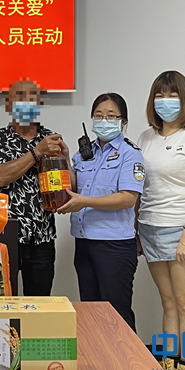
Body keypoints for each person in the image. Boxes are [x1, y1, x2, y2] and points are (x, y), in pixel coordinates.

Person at [136, 71, 185, 370]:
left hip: (184, 228)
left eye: (172, 95)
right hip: (150, 227)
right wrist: (136, 229)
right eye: (160, 95)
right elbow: (140, 186)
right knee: (167, 302)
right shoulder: (145, 138)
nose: (165, 101)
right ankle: (168, 362)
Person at [56, 93, 144, 332]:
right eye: (98, 115)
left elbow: (128, 198)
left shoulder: (130, 154)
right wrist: (65, 159)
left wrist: (84, 202)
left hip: (114, 244)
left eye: (111, 116)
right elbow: (75, 186)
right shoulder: (85, 152)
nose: (104, 121)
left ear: (123, 121)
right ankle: (99, 357)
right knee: (90, 311)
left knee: (116, 314)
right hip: (84, 241)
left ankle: (125, 358)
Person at [0, 79, 64, 296]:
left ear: (39, 104)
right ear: (8, 104)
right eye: (19, 97)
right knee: (2, 302)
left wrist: (64, 160)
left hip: (42, 237)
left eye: (32, 98)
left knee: (39, 304)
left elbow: (64, 187)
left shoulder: (51, 139)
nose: (26, 103)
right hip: (5, 237)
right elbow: (1, 177)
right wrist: (37, 152)